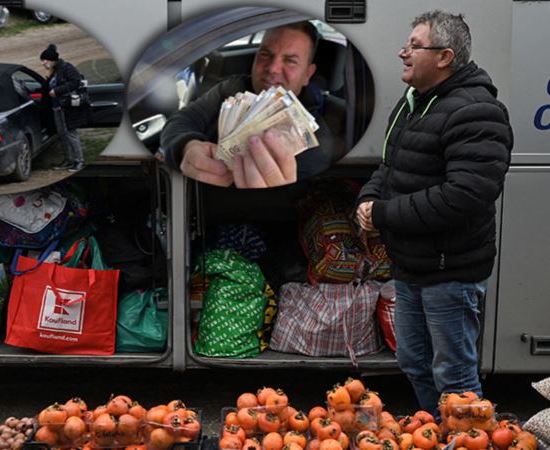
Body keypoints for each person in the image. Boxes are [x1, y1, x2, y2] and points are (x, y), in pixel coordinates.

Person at [355, 11, 513, 415]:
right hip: (412, 267)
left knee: (455, 377)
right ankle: (437, 436)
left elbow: (464, 195)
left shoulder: (477, 111)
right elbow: (389, 167)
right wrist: (367, 202)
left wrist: (385, 214)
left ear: (444, 56)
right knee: (415, 364)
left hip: (451, 272)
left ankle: (467, 439)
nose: (402, 52)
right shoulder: (415, 104)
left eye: (413, 45)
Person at [160, 21, 340, 189]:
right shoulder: (231, 87)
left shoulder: (314, 141)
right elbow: (181, 119)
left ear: (307, 74)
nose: (273, 68)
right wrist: (186, 146)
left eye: (290, 60)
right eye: (265, 54)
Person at [40, 43, 88, 172]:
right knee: (62, 134)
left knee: (71, 133)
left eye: (45, 60)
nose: (43, 63)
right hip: (57, 108)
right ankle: (68, 160)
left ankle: (79, 161)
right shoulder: (53, 72)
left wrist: (58, 90)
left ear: (52, 60)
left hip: (68, 107)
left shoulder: (67, 68)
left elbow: (75, 81)